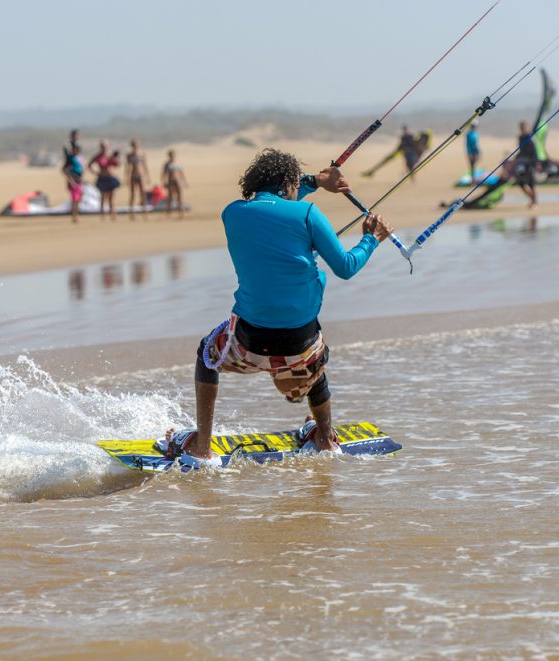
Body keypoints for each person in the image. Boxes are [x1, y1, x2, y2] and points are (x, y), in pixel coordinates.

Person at [162, 149, 393, 466]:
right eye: (297, 184)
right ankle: (325, 439)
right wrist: (372, 239)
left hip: (248, 343)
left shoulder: (232, 213)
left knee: (207, 352)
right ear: (288, 183)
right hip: (300, 349)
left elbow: (273, 206)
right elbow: (346, 267)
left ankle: (202, 447)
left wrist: (314, 181)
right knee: (317, 356)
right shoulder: (308, 214)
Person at [88, 141, 121, 220]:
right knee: (102, 197)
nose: (104, 148)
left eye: (105, 146)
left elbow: (117, 165)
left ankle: (112, 214)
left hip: (110, 177)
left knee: (111, 197)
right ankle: (102, 215)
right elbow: (89, 165)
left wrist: (115, 159)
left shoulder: (110, 155)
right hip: (102, 178)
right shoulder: (98, 156)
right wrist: (96, 173)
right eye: (102, 146)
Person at [515, 121, 538, 209]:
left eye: (523, 127)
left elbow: (534, 151)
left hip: (530, 162)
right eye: (521, 127)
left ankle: (534, 202)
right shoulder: (520, 137)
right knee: (521, 182)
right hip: (522, 162)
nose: (522, 129)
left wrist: (536, 163)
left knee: (531, 183)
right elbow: (521, 150)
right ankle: (531, 199)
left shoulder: (530, 137)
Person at [125, 139, 151, 219]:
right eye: (133, 145)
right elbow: (128, 167)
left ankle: (145, 212)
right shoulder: (129, 155)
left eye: (136, 144)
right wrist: (126, 177)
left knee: (143, 194)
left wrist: (147, 176)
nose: (135, 146)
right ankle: (131, 212)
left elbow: (145, 165)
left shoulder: (142, 154)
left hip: (141, 175)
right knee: (132, 194)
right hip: (133, 176)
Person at [161, 149, 188, 218]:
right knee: (170, 198)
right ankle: (168, 213)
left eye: (173, 155)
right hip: (171, 182)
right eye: (171, 156)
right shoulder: (167, 164)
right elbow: (164, 174)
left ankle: (181, 213)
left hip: (178, 181)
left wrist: (184, 181)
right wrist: (164, 182)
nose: (172, 157)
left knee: (180, 197)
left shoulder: (178, 163)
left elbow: (181, 173)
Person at [62, 142, 84, 223]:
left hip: (79, 180)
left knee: (78, 199)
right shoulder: (70, 159)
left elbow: (81, 169)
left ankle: (76, 215)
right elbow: (64, 170)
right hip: (73, 181)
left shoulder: (79, 157)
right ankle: (74, 216)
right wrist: (70, 180)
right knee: (74, 199)